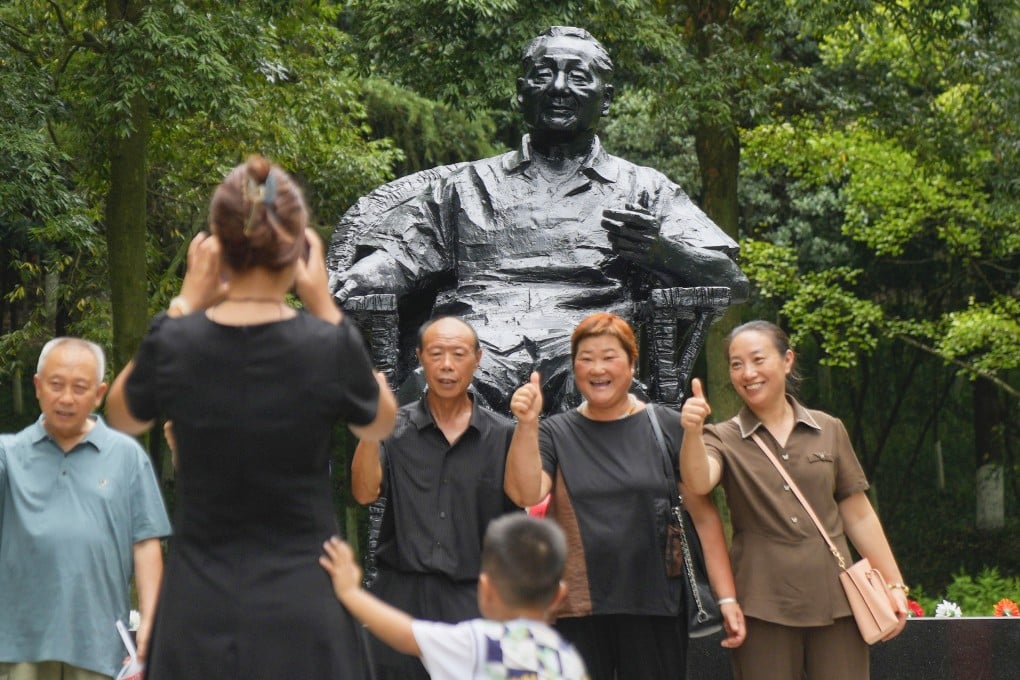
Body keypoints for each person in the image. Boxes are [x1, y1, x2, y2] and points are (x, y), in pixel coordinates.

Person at [331, 25, 749, 414]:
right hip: (478, 340)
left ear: (606, 98)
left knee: (600, 388)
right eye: (543, 74)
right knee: (433, 389)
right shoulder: (466, 185)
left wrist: (663, 251)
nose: (559, 88)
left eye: (579, 77)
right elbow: (401, 254)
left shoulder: (644, 189)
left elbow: (731, 280)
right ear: (521, 93)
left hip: (587, 345)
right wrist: (358, 277)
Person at [105, 155, 397, 679]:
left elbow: (122, 414)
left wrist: (182, 304)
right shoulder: (326, 345)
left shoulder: (178, 341)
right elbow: (379, 423)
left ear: (216, 247)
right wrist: (324, 304)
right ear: (297, 247)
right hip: (305, 598)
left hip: (200, 600)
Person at [504, 312, 746, 680]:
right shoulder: (554, 432)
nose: (597, 368)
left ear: (633, 364)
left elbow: (703, 512)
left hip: (655, 603)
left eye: (609, 357)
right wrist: (526, 424)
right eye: (586, 358)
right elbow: (525, 491)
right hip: (576, 607)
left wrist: (726, 598)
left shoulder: (664, 424)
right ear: (574, 367)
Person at [679, 320, 909, 680]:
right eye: (736, 364)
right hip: (762, 606)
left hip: (839, 601)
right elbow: (698, 480)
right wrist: (691, 434)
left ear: (787, 360)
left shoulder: (828, 428)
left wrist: (894, 584)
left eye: (757, 359)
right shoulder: (721, 437)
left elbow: (859, 515)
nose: (747, 373)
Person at [350, 314, 544, 680]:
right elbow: (364, 492)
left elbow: (526, 493)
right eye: (436, 353)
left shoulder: (503, 433)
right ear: (421, 357)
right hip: (401, 596)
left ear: (478, 358)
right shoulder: (395, 429)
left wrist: (529, 426)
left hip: (477, 597)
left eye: (458, 354)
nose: (447, 365)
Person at [0, 337, 171, 680]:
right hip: (19, 646)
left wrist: (153, 622)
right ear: (37, 386)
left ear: (99, 393)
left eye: (80, 387)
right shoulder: (8, 455)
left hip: (99, 644)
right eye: (56, 384)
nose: (66, 398)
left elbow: (146, 543)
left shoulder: (127, 457)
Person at [319, 513, 589, 680]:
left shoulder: (479, 643)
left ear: (485, 590)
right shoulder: (567, 658)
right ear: (559, 595)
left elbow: (406, 634)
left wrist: (350, 592)